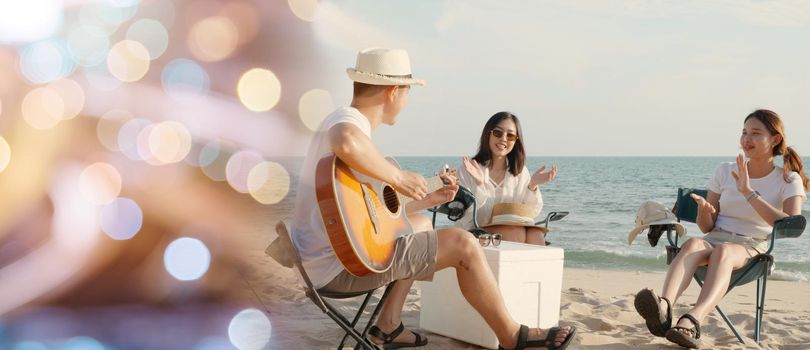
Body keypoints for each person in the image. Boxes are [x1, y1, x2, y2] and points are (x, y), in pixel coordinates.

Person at [290, 48, 576, 349]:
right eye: (407, 92)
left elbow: (368, 216)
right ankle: (511, 336)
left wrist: (430, 199)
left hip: (324, 260)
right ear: (393, 91)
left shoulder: (339, 121)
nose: (406, 101)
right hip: (343, 267)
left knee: (422, 224)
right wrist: (398, 177)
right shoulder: (350, 124)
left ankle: (388, 325)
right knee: (463, 245)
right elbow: (345, 141)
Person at [633, 109, 808, 349]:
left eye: (755, 133)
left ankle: (693, 318)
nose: (747, 139)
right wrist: (705, 211)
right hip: (715, 237)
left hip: (752, 246)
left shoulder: (788, 179)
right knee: (693, 243)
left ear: (775, 139)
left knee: (723, 251)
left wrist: (748, 192)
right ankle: (664, 308)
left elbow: (790, 224)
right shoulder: (724, 171)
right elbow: (707, 227)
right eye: (744, 132)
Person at [457, 112, 558, 245]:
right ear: (488, 133)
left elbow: (530, 214)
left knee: (536, 233)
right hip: (474, 232)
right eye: (498, 133)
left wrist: (532, 186)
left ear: (516, 141)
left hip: (510, 230)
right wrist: (479, 185)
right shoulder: (469, 168)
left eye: (510, 135)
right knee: (515, 232)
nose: (503, 139)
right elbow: (463, 215)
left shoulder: (520, 171)